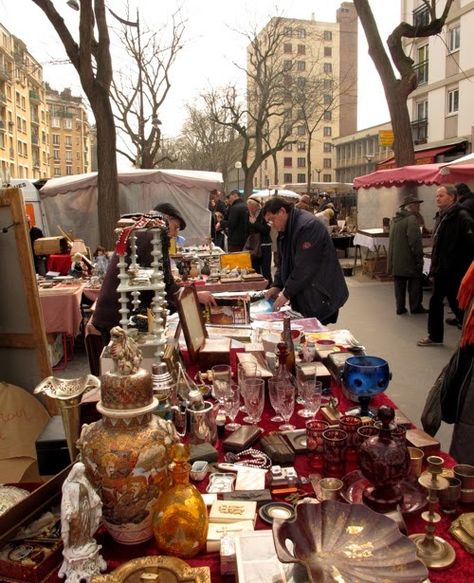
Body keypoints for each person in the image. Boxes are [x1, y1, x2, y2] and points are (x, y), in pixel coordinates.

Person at [93, 203, 216, 345]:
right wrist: (193, 296)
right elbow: (164, 282)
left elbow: (161, 280)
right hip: (118, 314)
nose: (175, 234)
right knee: (121, 360)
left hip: (118, 311)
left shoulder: (144, 232)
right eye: (175, 227)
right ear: (166, 219)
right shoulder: (154, 235)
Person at [263, 196, 348, 324]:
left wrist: (286, 293)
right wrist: (277, 285)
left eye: (272, 220)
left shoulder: (307, 226)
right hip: (306, 292)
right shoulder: (286, 228)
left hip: (320, 292)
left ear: (282, 211)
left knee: (314, 332)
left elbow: (305, 267)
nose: (272, 225)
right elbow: (283, 261)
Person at [418, 185, 474, 346]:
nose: (437, 198)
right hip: (443, 269)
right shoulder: (443, 216)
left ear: (452, 197)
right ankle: (436, 336)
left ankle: (462, 334)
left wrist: (461, 264)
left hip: (455, 270)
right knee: (442, 302)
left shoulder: (462, 216)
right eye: (436, 196)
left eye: (441, 196)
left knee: (456, 304)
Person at [59, 462, 106, 580]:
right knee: (77, 529)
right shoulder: (68, 485)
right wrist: (69, 512)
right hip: (76, 513)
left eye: (82, 472)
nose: (81, 474)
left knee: (86, 527)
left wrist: (96, 499)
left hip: (86, 509)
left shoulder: (83, 480)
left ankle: (86, 542)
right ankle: (76, 546)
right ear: (75, 471)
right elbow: (66, 501)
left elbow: (91, 492)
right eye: (80, 472)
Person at [387, 195, 427, 315]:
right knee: (415, 283)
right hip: (408, 259)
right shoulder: (411, 219)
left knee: (399, 284)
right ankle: (415, 307)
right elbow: (414, 241)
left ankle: (400, 307)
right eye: (417, 205)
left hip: (396, 259)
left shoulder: (395, 220)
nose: (419, 207)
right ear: (410, 206)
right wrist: (419, 257)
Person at [245, 197, 272, 284]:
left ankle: (269, 286)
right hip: (253, 245)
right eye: (248, 207)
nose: (249, 209)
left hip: (264, 244)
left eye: (251, 207)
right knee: (255, 268)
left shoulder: (263, 214)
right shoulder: (248, 214)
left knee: (265, 269)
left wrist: (254, 224)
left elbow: (266, 230)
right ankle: (258, 286)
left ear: (256, 206)